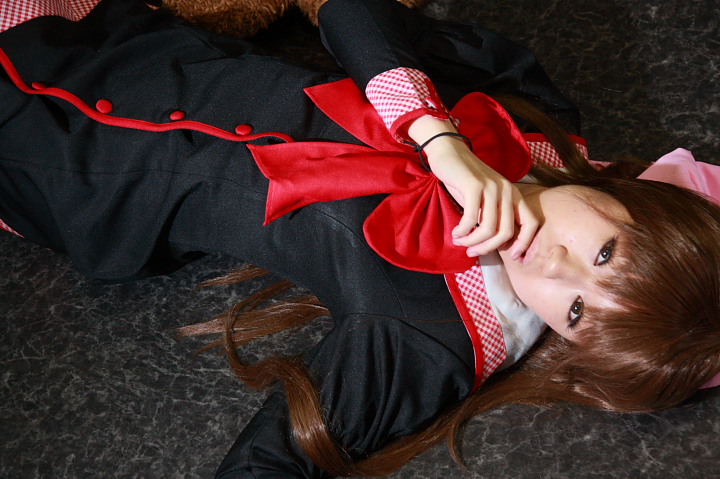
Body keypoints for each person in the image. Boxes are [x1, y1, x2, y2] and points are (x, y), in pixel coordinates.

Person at [1, 0, 718, 477]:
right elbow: (351, 8)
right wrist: (437, 134)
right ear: (641, 201)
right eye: (604, 254)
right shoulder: (534, 112)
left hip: (59, 169)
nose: (552, 269)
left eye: (577, 313)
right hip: (115, 38)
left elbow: (267, 463)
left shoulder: (436, 340)